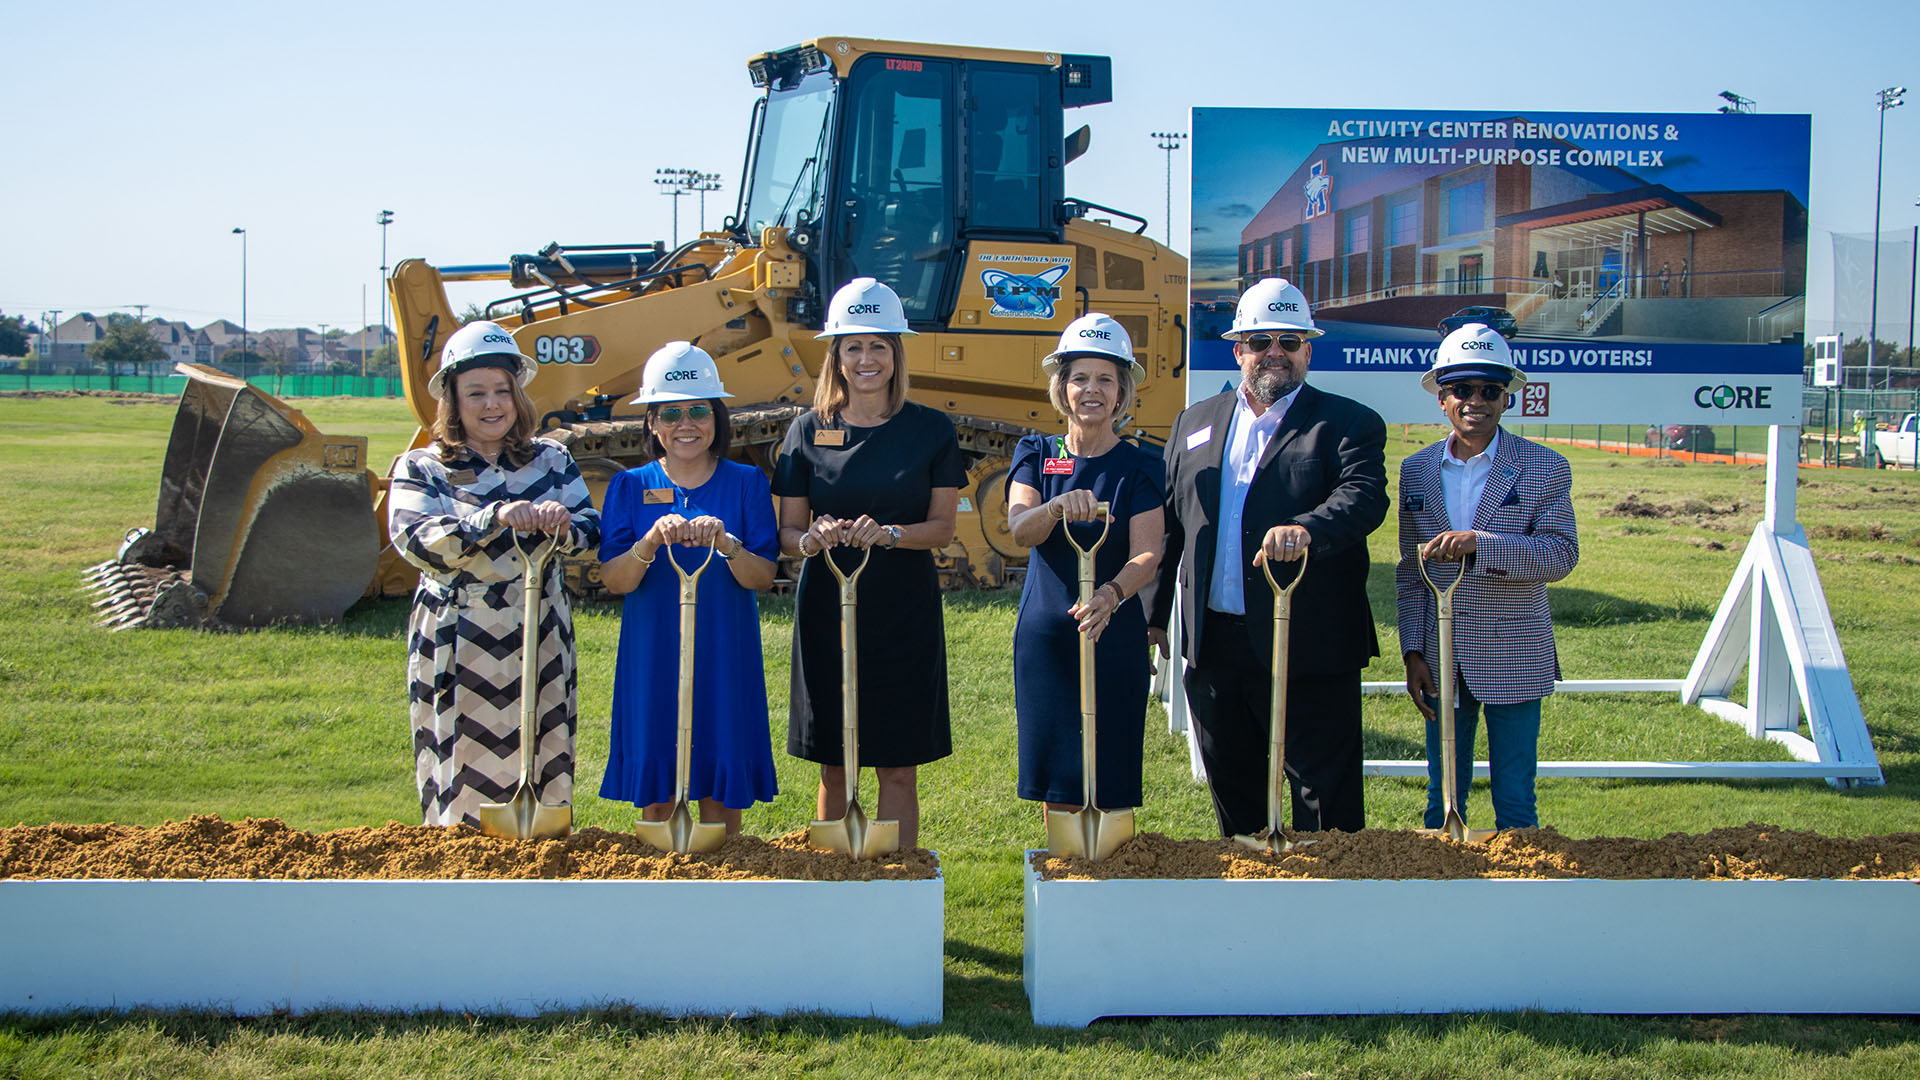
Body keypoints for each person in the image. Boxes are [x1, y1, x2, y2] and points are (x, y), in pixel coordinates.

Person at [1145, 277, 1389, 836]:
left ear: (1308, 351)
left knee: (1324, 802)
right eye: (1260, 341)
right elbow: (1172, 524)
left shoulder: (1347, 423)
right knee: (1235, 797)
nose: (1274, 352)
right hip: (1215, 646)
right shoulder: (1193, 422)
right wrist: (1154, 616)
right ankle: (1247, 886)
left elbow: (1363, 498)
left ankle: (1325, 891)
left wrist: (1306, 529)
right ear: (1238, 350)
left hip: (1309, 640)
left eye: (1289, 341)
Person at [773, 277, 964, 849]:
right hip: (826, 606)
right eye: (852, 346)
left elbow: (943, 527)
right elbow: (787, 533)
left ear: (896, 353)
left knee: (898, 764)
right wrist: (812, 539)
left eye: (878, 345)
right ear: (835, 355)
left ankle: (898, 877)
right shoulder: (807, 430)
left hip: (903, 606)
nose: (866, 359)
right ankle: (836, 874)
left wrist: (891, 535)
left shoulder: (931, 429)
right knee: (834, 763)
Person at [388, 320, 600, 827]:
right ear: (452, 400)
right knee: (458, 764)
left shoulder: (552, 459)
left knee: (544, 754)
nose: (492, 405)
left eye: (502, 391)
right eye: (476, 393)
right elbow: (417, 541)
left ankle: (541, 857)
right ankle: (461, 861)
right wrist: (494, 518)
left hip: (540, 629)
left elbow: (592, 531)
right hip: (460, 634)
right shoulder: (422, 467)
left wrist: (563, 526)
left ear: (517, 396)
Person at [1397, 324, 1579, 831]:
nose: (1475, 401)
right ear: (1442, 398)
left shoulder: (1543, 466)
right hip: (1442, 657)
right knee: (1443, 800)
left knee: (1516, 802)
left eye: (1489, 390)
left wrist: (1483, 544)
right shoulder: (1416, 470)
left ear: (1507, 399)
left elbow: (1561, 555)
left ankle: (1524, 879)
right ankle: (1442, 878)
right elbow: (1411, 571)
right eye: (1462, 389)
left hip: (1514, 650)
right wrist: (1413, 651)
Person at [598, 342, 779, 835]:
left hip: (724, 648)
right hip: (652, 649)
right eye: (671, 412)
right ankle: (661, 877)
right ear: (652, 422)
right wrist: (649, 541)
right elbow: (616, 580)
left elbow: (762, 577)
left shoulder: (746, 482)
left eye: (699, 410)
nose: (686, 424)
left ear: (717, 417)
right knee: (657, 793)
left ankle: (726, 873)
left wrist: (727, 543)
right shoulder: (630, 486)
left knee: (721, 788)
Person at [1005, 314, 1165, 817]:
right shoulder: (1037, 453)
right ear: (1062, 388)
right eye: (1079, 378)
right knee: (1059, 778)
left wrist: (1111, 594)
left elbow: (1148, 554)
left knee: (1111, 767)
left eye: (1105, 379)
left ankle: (1112, 863)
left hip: (1113, 629)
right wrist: (1055, 507)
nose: (1091, 390)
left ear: (1121, 392)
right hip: (1048, 636)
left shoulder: (1141, 466)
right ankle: (1063, 861)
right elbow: (1020, 530)